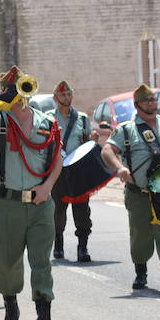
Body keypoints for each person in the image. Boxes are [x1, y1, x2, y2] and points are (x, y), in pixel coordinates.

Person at [0, 66, 64, 320]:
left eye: (21, 87)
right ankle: (11, 311)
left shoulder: (46, 121)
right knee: (8, 259)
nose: (18, 94)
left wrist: (47, 187)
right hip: (8, 202)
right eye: (13, 88)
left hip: (40, 203)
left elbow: (57, 159)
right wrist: (0, 100)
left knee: (42, 262)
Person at [101, 84, 160, 292]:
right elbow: (108, 150)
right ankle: (140, 273)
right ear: (137, 105)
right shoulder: (126, 129)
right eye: (146, 101)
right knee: (140, 233)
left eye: (153, 100)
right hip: (139, 192)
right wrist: (119, 168)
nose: (151, 103)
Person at [47, 80, 95, 262]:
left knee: (82, 209)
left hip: (78, 170)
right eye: (63, 95)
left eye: (69, 94)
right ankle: (58, 242)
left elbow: (88, 141)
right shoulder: (49, 118)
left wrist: (94, 140)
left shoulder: (82, 118)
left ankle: (83, 246)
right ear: (56, 97)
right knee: (58, 210)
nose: (67, 98)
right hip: (58, 171)